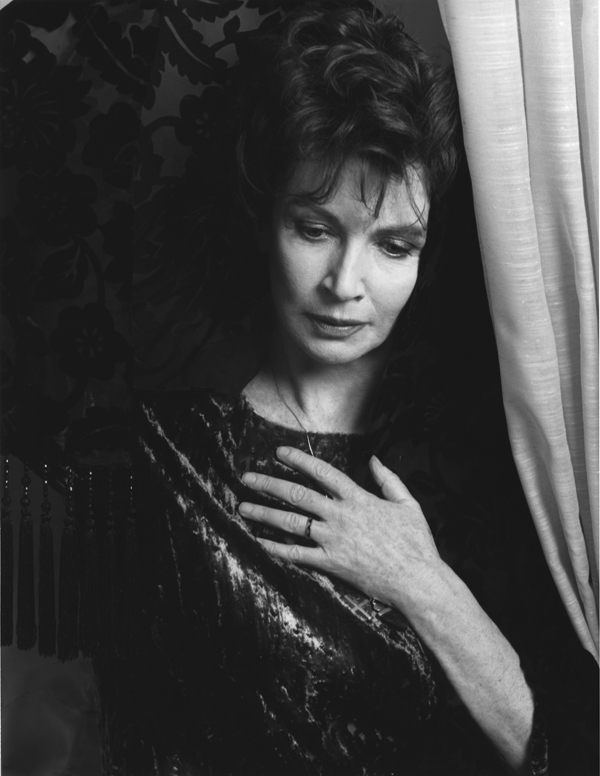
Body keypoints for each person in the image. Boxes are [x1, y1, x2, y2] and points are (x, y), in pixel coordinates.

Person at [92, 3, 598, 775]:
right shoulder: (172, 454)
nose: (344, 284)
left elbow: (564, 751)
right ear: (264, 222)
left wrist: (421, 581)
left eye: (393, 246)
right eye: (316, 228)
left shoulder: (495, 463)